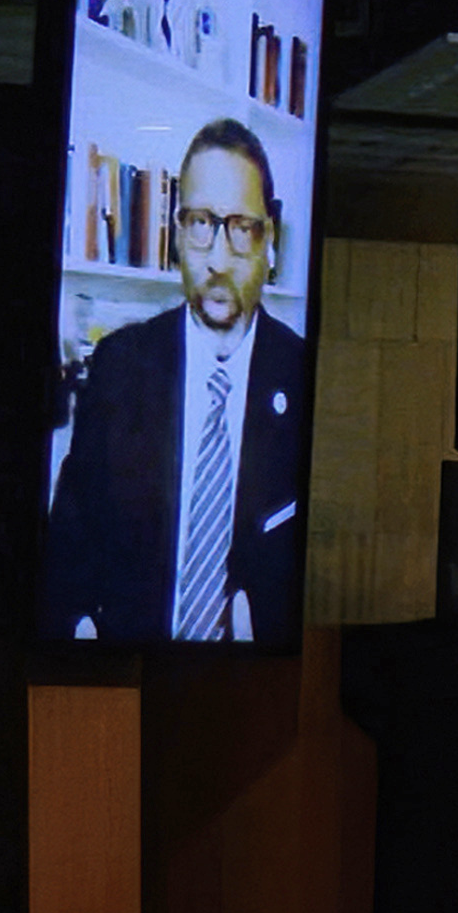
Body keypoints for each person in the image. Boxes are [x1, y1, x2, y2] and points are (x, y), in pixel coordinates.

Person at [42, 118, 309, 643]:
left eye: (241, 227)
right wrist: (77, 632)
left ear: (268, 240)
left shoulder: (301, 375)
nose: (217, 257)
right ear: (177, 232)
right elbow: (66, 549)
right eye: (201, 223)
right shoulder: (120, 365)